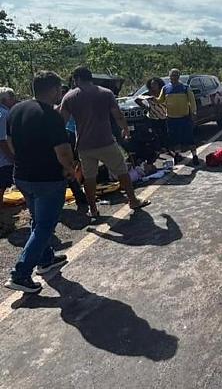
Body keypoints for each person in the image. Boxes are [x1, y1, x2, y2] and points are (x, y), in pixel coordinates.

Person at [4, 71, 75, 293]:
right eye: (59, 89)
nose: (60, 93)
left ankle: (45, 259)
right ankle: (21, 273)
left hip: (22, 175)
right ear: (53, 90)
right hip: (48, 178)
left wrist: (24, 159)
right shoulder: (51, 115)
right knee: (45, 225)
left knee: (38, 219)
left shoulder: (16, 110)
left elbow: (10, 142)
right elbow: (63, 151)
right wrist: (70, 169)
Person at [60, 66, 150, 220]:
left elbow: (62, 121)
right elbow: (118, 115)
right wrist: (126, 130)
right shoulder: (105, 93)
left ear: (77, 79)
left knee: (89, 178)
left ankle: (93, 209)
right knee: (121, 171)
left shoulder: (69, 97)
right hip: (106, 141)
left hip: (84, 146)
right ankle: (133, 200)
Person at [157, 69, 199, 166]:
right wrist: (151, 99)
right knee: (175, 139)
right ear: (169, 76)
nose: (174, 77)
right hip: (171, 119)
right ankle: (177, 155)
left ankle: (195, 156)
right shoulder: (165, 88)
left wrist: (193, 113)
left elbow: (192, 101)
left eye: (176, 75)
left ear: (179, 76)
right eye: (172, 75)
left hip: (184, 118)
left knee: (189, 138)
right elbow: (160, 100)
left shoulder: (185, 88)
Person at [0, 87, 17, 209]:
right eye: (12, 98)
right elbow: (2, 140)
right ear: (6, 100)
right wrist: (12, 157)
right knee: (1, 185)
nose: (14, 100)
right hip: (3, 159)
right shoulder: (4, 114)